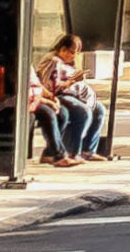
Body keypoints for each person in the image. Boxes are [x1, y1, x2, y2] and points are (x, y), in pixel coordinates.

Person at [30, 33, 107, 165]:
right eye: (71, 52)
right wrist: (70, 83)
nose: (73, 56)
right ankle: (73, 151)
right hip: (58, 94)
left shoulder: (65, 63)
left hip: (70, 93)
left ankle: (88, 149)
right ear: (62, 49)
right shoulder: (53, 61)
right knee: (83, 112)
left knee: (98, 109)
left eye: (76, 53)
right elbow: (47, 83)